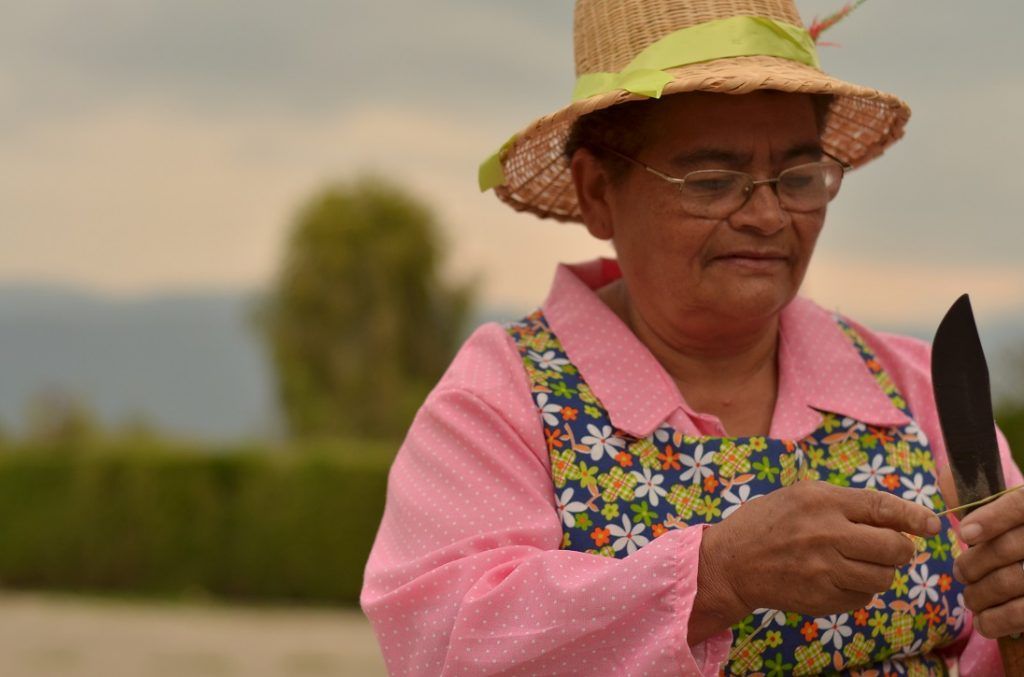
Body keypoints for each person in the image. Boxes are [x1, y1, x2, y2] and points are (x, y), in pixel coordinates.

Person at [361, 0, 1024, 674]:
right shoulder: (506, 399)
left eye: (797, 178)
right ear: (597, 192)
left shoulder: (911, 388)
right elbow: (446, 644)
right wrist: (715, 575)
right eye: (713, 182)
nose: (767, 214)